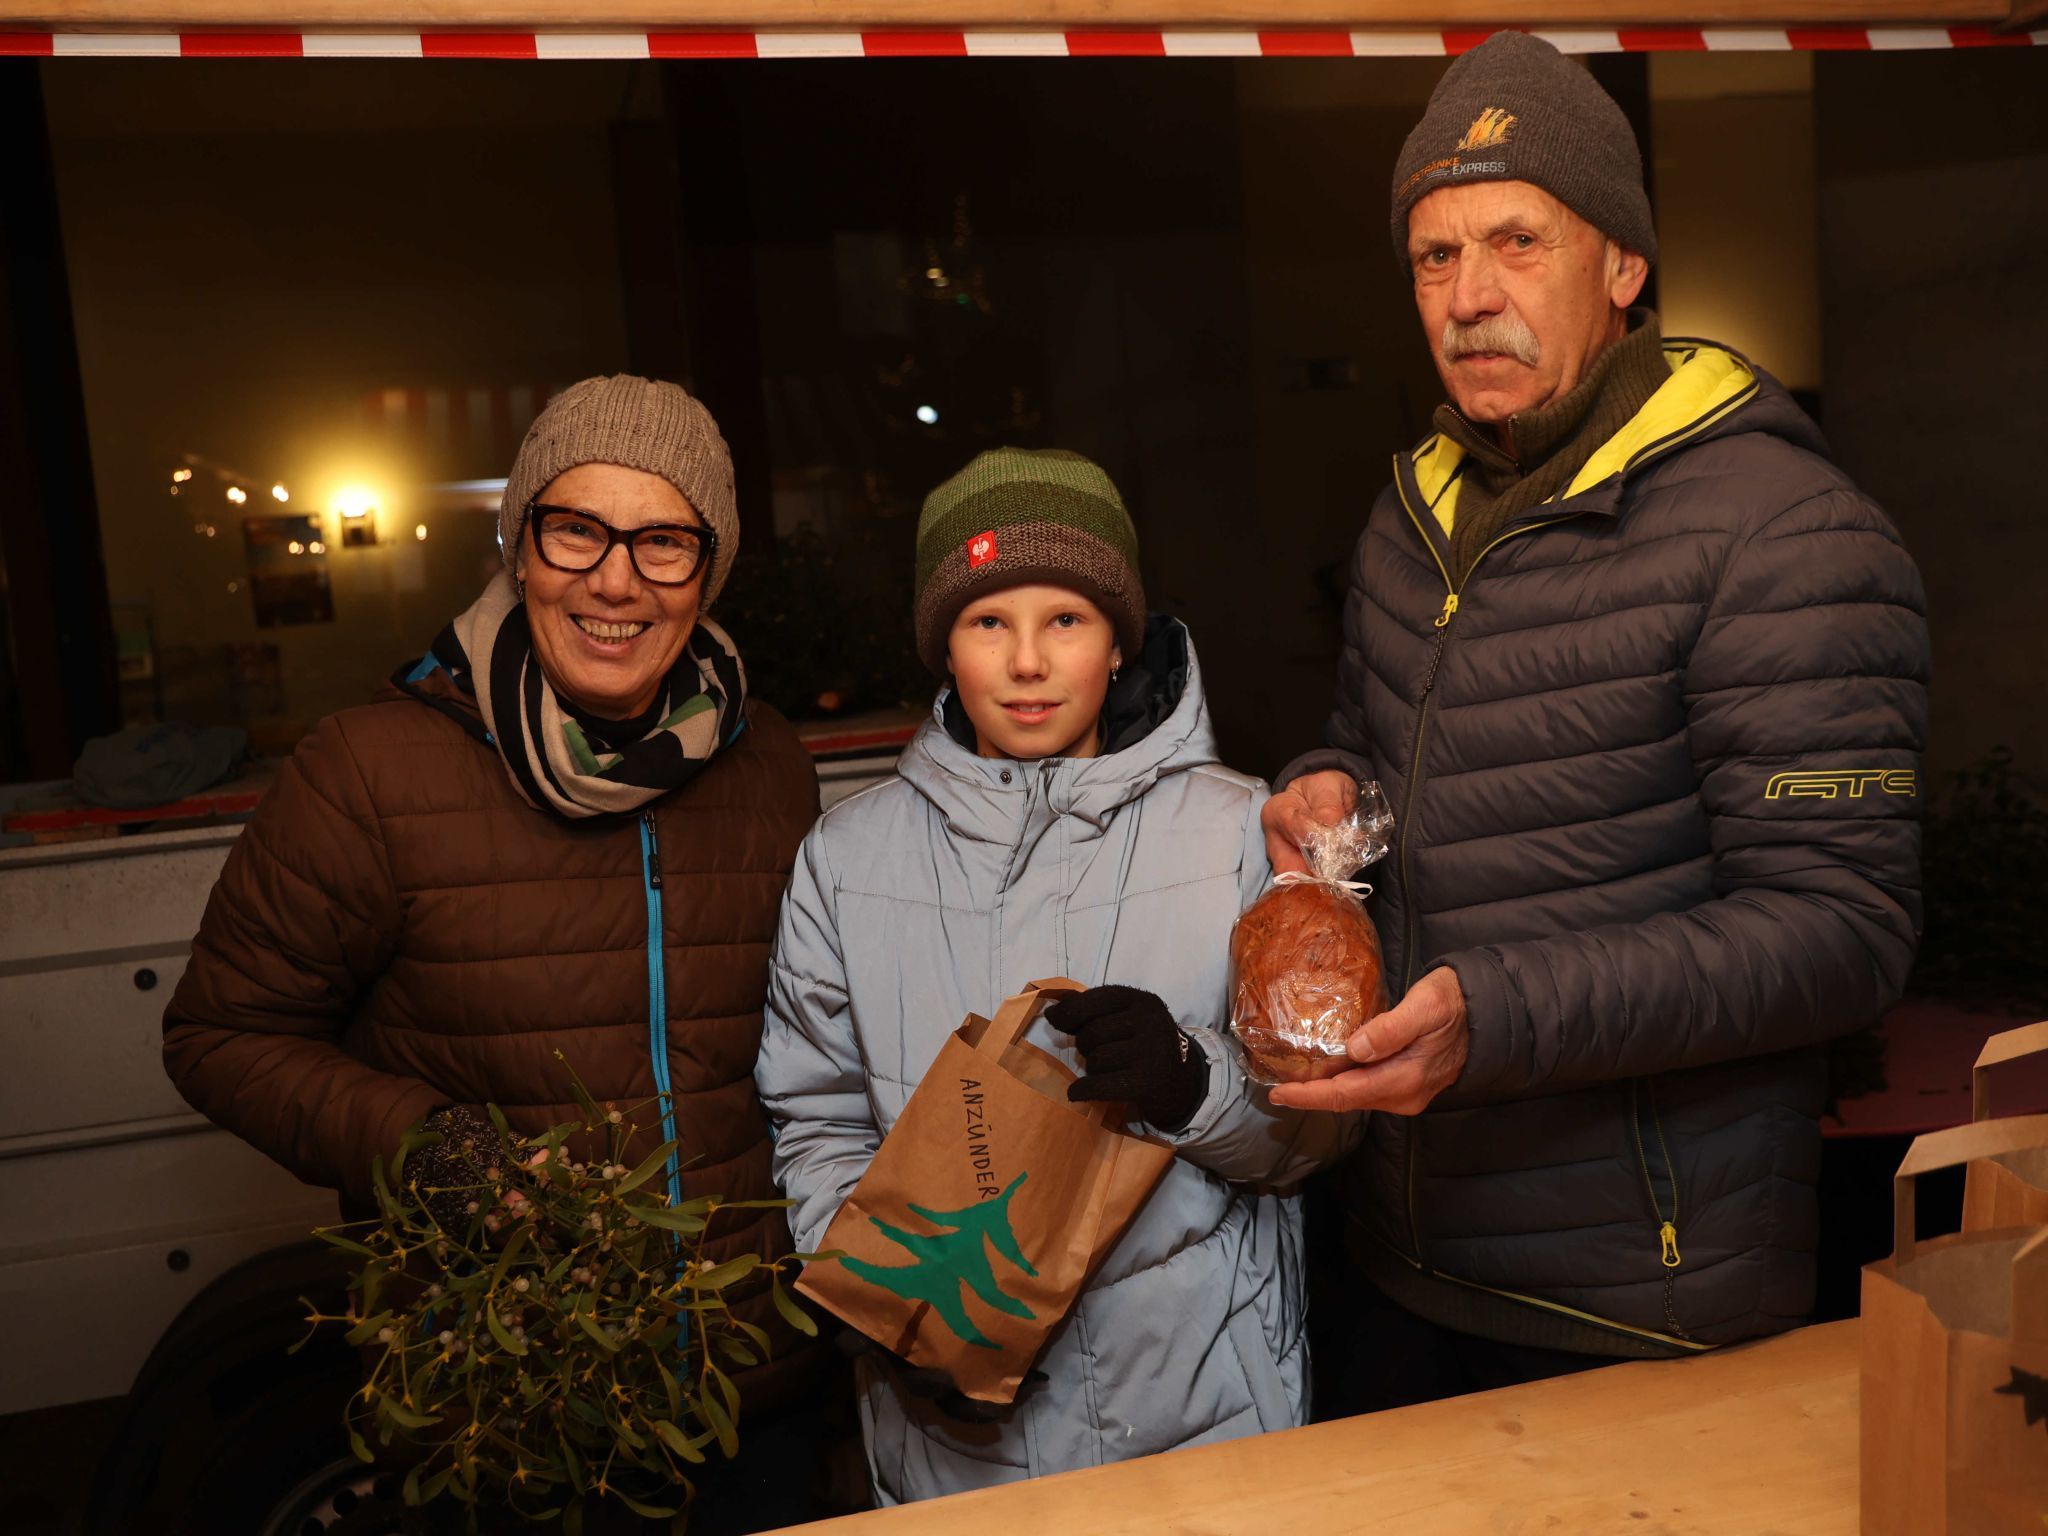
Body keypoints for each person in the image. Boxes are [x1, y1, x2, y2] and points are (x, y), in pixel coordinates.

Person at [1260, 31, 1930, 1410]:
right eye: (1435, 257)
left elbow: (1842, 933)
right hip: (1402, 1249)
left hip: (1647, 1293)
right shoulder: (1411, 518)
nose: (1469, 297)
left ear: (1622, 266)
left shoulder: (1781, 532)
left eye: (1517, 241)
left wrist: (1498, 1019)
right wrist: (1327, 790)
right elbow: (1372, 746)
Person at [162, 375, 830, 1528]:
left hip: (756, 1396)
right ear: (518, 546)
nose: (615, 579)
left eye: (664, 541)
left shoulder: (765, 761)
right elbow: (219, 1036)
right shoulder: (369, 772)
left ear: (705, 573)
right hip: (512, 1405)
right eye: (576, 529)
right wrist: (418, 1149)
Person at [755, 447, 1359, 1504]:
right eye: (988, 621)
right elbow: (815, 1116)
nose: (1026, 662)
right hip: (954, 1451)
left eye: (1066, 620)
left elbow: (1321, 1125)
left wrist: (1191, 1079)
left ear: (1120, 643)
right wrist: (883, 1305)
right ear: (942, 645)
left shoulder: (1234, 829)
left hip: (1205, 1419)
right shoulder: (847, 861)